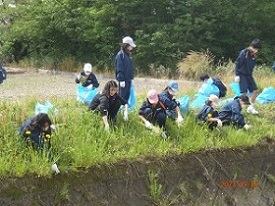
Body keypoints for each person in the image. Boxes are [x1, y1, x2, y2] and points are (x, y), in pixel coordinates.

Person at [234, 38, 262, 114]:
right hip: (242, 75)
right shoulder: (244, 53)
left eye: (257, 49)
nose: (256, 50)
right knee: (244, 94)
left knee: (255, 91)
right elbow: (237, 64)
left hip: (249, 75)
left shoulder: (254, 55)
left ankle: (251, 107)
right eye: (255, 48)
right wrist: (237, 75)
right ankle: (237, 108)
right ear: (251, 46)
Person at [115, 36, 136, 102]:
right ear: (126, 45)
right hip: (123, 80)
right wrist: (121, 80)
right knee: (121, 97)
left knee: (127, 97)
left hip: (128, 80)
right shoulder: (120, 55)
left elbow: (129, 68)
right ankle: (119, 110)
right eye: (130, 45)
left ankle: (125, 111)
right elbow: (119, 68)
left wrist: (131, 78)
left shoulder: (128, 55)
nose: (132, 47)